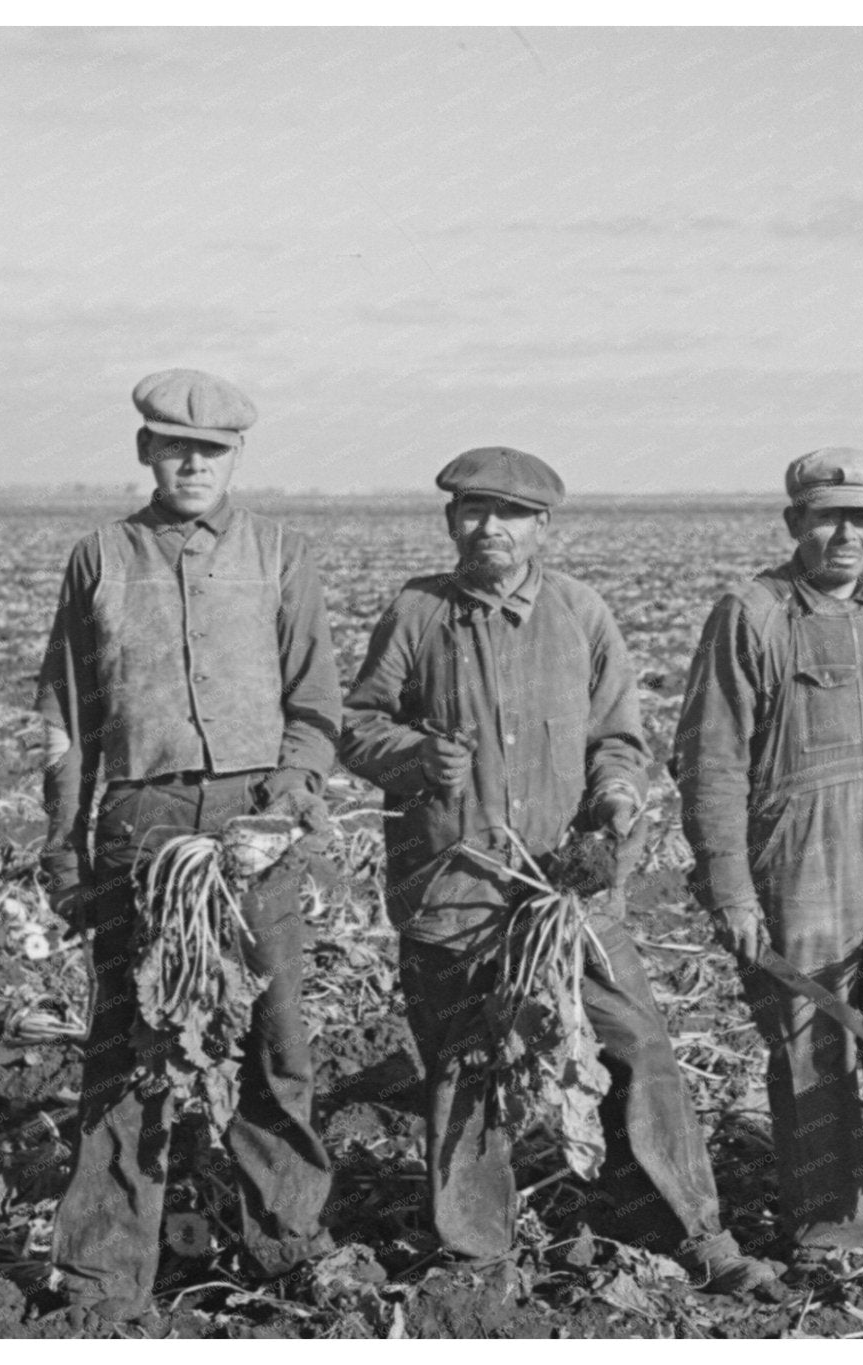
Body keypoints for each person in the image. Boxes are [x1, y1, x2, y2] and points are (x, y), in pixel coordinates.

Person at [334, 446, 781, 1300]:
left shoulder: (581, 613)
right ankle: (477, 1257)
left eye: (511, 513)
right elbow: (355, 726)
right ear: (452, 521)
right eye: (474, 510)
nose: (490, 527)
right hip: (456, 892)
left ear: (542, 526)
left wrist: (616, 798)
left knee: (637, 1046)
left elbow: (619, 739)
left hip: (568, 895)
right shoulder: (417, 614)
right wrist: (416, 755)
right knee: (466, 1069)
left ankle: (688, 1230)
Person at [35, 369, 341, 1321]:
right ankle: (102, 1277)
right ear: (147, 451)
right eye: (176, 448)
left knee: (274, 1039)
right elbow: (67, 720)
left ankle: (285, 1242)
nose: (194, 465)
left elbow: (315, 708)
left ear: (236, 457)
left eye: (212, 451)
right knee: (131, 1046)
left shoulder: (279, 554)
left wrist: (287, 801)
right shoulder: (100, 559)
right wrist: (65, 845)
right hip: (145, 820)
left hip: (255, 819)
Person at [673, 448, 863, 1272]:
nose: (847, 535)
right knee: (815, 1044)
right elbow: (711, 763)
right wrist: (731, 890)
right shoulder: (753, 615)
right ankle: (829, 1231)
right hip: (801, 866)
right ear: (794, 522)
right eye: (828, 517)